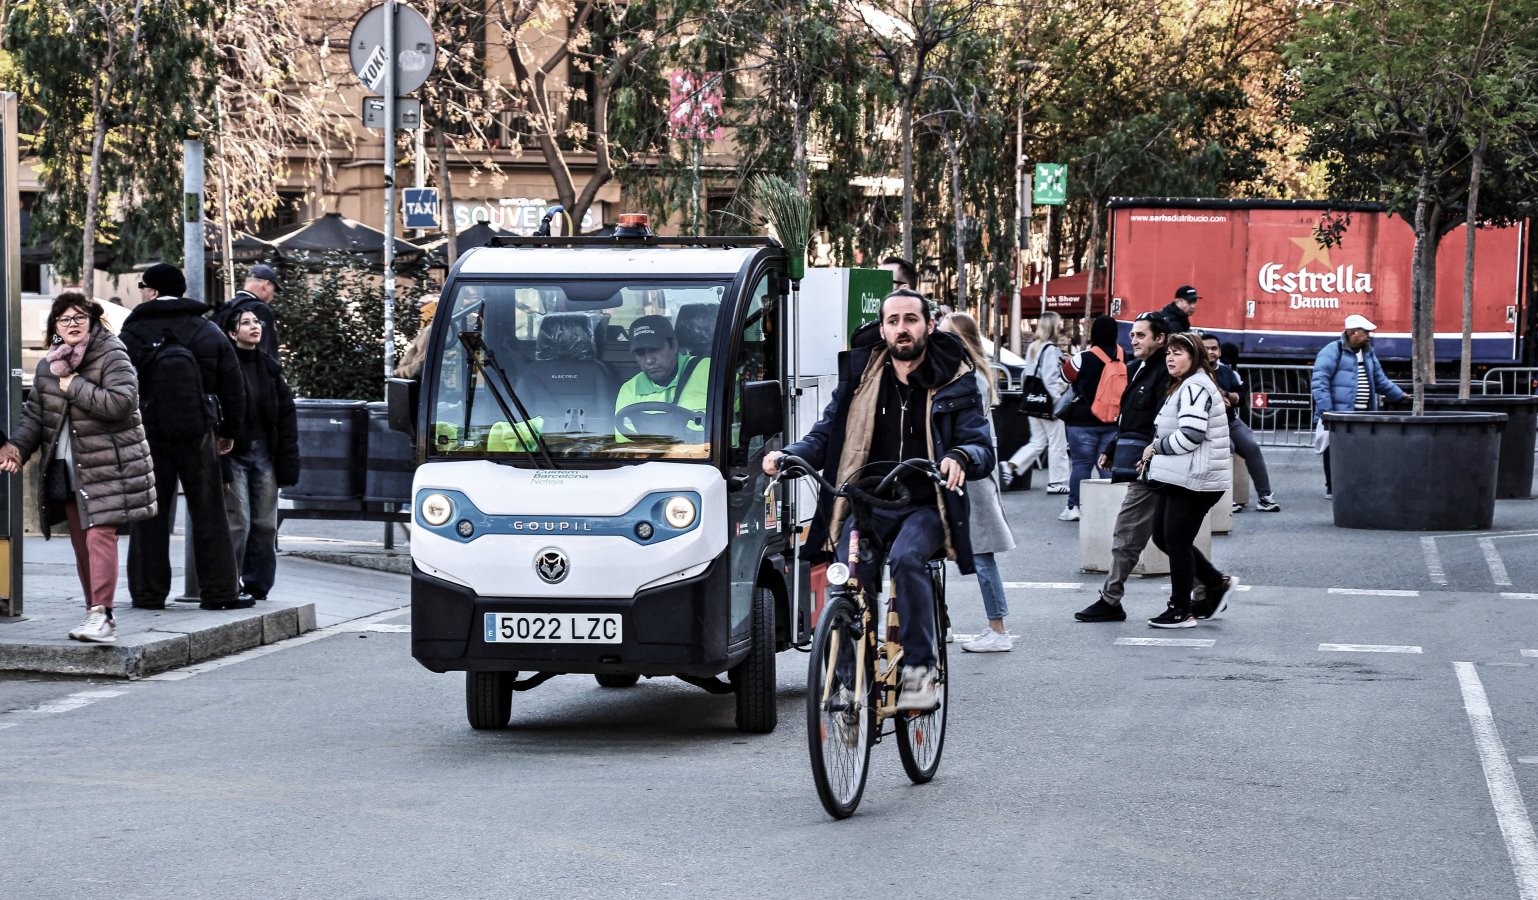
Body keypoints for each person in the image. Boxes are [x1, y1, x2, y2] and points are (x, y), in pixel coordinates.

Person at [764, 289, 993, 709]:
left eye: (910, 319)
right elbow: (826, 433)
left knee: (907, 561)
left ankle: (920, 673)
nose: (902, 329)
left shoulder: (955, 378)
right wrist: (791, 455)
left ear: (927, 324)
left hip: (925, 504)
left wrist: (960, 456)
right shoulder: (862, 377)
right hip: (867, 503)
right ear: (883, 328)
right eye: (893, 321)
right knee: (849, 579)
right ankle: (849, 683)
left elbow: (980, 445)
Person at [0, 293, 157, 642]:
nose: (72, 324)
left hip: (109, 465)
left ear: (93, 320)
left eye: (79, 318)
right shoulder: (48, 366)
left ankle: (103, 613)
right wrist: (15, 449)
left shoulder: (111, 353)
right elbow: (35, 418)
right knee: (82, 543)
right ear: (54, 327)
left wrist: (77, 386)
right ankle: (94, 614)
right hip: (67, 468)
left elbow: (121, 403)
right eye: (64, 319)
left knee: (101, 535)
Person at [120, 262, 249, 611]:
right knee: (209, 511)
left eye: (144, 286)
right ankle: (220, 591)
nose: (142, 292)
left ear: (154, 291)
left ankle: (148, 594)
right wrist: (229, 433)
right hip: (198, 431)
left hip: (148, 433)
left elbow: (119, 386)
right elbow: (233, 388)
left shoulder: (132, 333)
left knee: (150, 513)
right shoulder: (207, 331)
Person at [1074, 311, 1179, 622]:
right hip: (1143, 461)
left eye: (1141, 335)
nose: (1133, 340)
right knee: (1167, 536)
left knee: (1127, 532)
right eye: (1132, 335)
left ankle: (1111, 599)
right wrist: (1112, 446)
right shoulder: (1139, 369)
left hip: (1152, 465)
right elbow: (1130, 417)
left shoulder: (1165, 372)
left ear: (1160, 339)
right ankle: (1211, 585)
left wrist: (1147, 455)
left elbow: (1160, 421)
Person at [1140, 332, 1239, 628]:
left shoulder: (1195, 387)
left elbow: (1192, 436)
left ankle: (1181, 609)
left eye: (1179, 353)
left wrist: (1156, 448)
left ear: (1193, 357)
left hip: (1197, 477)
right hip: (1185, 475)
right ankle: (1214, 583)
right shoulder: (1189, 384)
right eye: (1169, 352)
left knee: (1177, 540)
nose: (1170, 358)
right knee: (1163, 536)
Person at [938, 312, 1016, 653]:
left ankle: (997, 628)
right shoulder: (964, 372)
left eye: (947, 336)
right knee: (932, 552)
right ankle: (942, 622)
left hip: (973, 474)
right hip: (959, 471)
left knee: (982, 554)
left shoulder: (973, 378)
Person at [223, 309, 300, 602]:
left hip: (264, 452)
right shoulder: (225, 367)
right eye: (246, 323)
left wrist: (287, 456)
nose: (254, 327)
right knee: (239, 521)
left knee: (266, 522)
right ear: (232, 333)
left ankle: (258, 584)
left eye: (257, 322)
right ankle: (229, 581)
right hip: (235, 452)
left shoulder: (269, 368)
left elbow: (286, 414)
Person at [1311, 313, 1405, 499]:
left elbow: (1380, 380)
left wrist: (1400, 395)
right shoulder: (1332, 351)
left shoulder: (1368, 352)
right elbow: (1320, 382)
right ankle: (1333, 486)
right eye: (1365, 332)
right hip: (1339, 413)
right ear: (1352, 332)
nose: (1368, 336)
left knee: (1360, 451)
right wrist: (1326, 411)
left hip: (1362, 412)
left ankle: (1353, 483)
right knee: (1334, 450)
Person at [1201, 333, 1279, 513]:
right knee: (1226, 448)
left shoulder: (1228, 372)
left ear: (1220, 351)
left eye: (1214, 348)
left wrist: (1228, 396)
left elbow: (1240, 396)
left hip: (1229, 421)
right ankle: (1226, 499)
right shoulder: (1193, 371)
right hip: (1207, 426)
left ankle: (1265, 497)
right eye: (1206, 348)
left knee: (1252, 447)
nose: (1211, 352)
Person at [1058, 314, 1123, 522]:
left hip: (1082, 421)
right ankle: (1110, 508)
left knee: (1081, 464)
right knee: (1107, 464)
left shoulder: (1083, 357)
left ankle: (1074, 507)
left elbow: (1065, 376)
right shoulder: (1124, 356)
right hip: (1113, 420)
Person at [1003, 311, 1069, 493]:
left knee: (1038, 441)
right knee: (1058, 443)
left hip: (1033, 401)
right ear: (1053, 326)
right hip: (1048, 403)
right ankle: (1058, 482)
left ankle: (1011, 465)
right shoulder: (1049, 349)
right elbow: (1050, 379)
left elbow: (1027, 375)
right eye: (1059, 323)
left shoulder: (1034, 347)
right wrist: (1058, 401)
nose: (1062, 326)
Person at [614, 314, 710, 439]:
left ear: (674, 345)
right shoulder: (629, 390)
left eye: (654, 349)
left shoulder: (709, 371)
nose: (648, 360)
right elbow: (626, 448)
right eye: (640, 353)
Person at [213, 263, 281, 362]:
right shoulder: (260, 309)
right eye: (274, 290)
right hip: (252, 374)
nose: (273, 295)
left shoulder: (228, 307)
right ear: (266, 285)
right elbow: (264, 353)